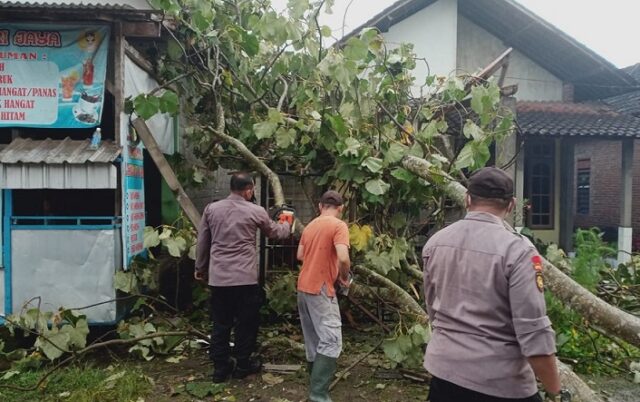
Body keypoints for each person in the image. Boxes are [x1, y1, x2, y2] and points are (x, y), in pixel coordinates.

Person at [422, 167, 565, 402]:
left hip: (444, 373)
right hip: (500, 383)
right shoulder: (518, 251)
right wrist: (557, 392)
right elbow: (533, 331)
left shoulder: (435, 243)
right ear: (512, 205)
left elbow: (432, 310)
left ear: (467, 199)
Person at [195, 172, 293, 383]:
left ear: (232, 188)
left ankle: (220, 369)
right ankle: (242, 365)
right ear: (249, 189)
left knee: (220, 323)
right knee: (246, 323)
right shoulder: (255, 210)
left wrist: (200, 267)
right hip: (245, 279)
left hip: (219, 279)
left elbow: (203, 241)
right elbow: (276, 233)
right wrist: (287, 221)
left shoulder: (212, 209)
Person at [296, 190, 351, 402]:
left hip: (303, 287)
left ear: (320, 206)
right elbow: (344, 258)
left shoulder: (310, 225)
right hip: (321, 287)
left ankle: (315, 386)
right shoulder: (338, 226)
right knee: (331, 340)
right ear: (341, 208)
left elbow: (300, 255)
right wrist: (344, 277)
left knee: (313, 340)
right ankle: (319, 395)